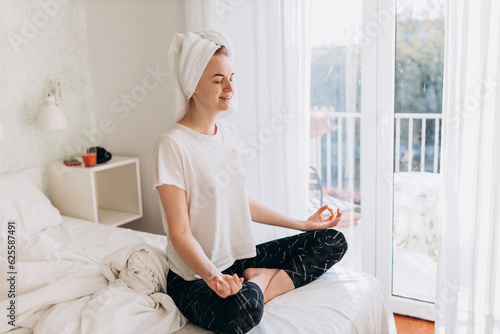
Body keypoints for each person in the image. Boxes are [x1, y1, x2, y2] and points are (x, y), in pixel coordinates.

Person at [153, 29, 348, 334]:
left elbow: (239, 201)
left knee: (333, 240)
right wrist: (212, 276)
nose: (230, 87)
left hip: (238, 259)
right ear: (192, 85)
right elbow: (179, 232)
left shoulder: (228, 134)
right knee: (240, 311)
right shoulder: (172, 144)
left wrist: (301, 224)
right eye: (219, 80)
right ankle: (258, 280)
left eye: (232, 77)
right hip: (194, 275)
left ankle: (255, 277)